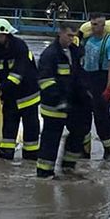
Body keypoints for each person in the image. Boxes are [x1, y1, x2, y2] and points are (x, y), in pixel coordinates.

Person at [36, 23, 91, 179]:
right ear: (60, 33)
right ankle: (44, 172)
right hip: (54, 105)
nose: (71, 39)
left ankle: (68, 166)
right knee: (51, 138)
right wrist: (59, 100)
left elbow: (78, 76)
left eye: (74, 36)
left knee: (80, 131)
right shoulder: (50, 54)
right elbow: (45, 80)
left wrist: (86, 94)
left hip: (72, 103)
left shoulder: (74, 52)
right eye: (68, 35)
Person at [0, 18, 41, 160]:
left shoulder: (20, 47)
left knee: (31, 129)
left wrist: (1, 88)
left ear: (6, 34)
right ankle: (6, 156)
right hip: (10, 97)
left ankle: (30, 157)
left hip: (28, 96)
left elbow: (18, 75)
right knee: (8, 128)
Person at [80, 12, 110, 161]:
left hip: (101, 79)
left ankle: (107, 150)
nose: (95, 27)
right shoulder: (86, 39)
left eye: (98, 24)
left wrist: (109, 88)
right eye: (93, 24)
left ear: (104, 25)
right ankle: (85, 151)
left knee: (102, 118)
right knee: (83, 117)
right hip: (86, 79)